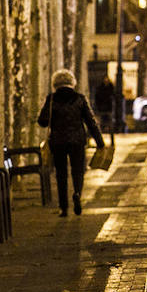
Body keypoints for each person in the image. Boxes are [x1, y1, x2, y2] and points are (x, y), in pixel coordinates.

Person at [37, 69, 105, 217]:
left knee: (61, 174)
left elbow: (42, 121)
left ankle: (63, 207)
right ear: (72, 82)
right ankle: (77, 194)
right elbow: (91, 122)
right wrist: (100, 142)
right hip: (77, 141)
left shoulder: (52, 99)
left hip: (58, 142)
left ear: (55, 84)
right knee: (78, 171)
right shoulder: (79, 98)